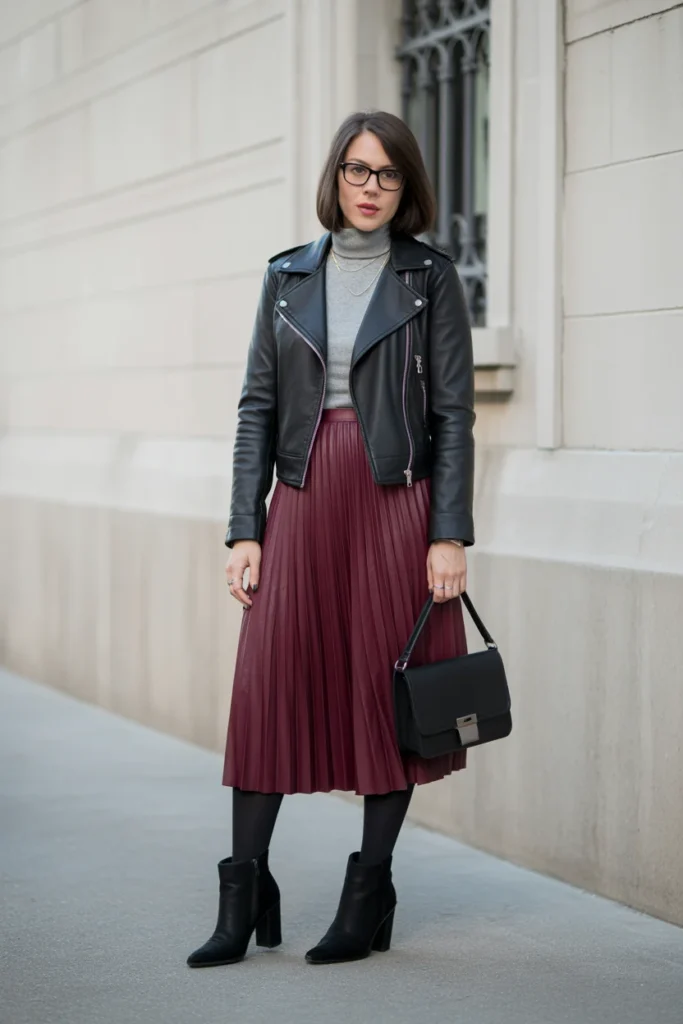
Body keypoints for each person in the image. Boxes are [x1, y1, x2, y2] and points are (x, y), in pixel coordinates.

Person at [187, 110, 475, 969]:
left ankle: (368, 891)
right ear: (334, 177)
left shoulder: (430, 278)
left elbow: (452, 415)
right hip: (303, 495)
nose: (369, 188)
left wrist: (448, 533)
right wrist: (246, 528)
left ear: (406, 186)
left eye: (386, 174)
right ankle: (244, 889)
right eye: (356, 171)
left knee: (386, 692)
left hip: (393, 498)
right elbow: (255, 410)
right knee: (267, 685)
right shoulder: (286, 277)